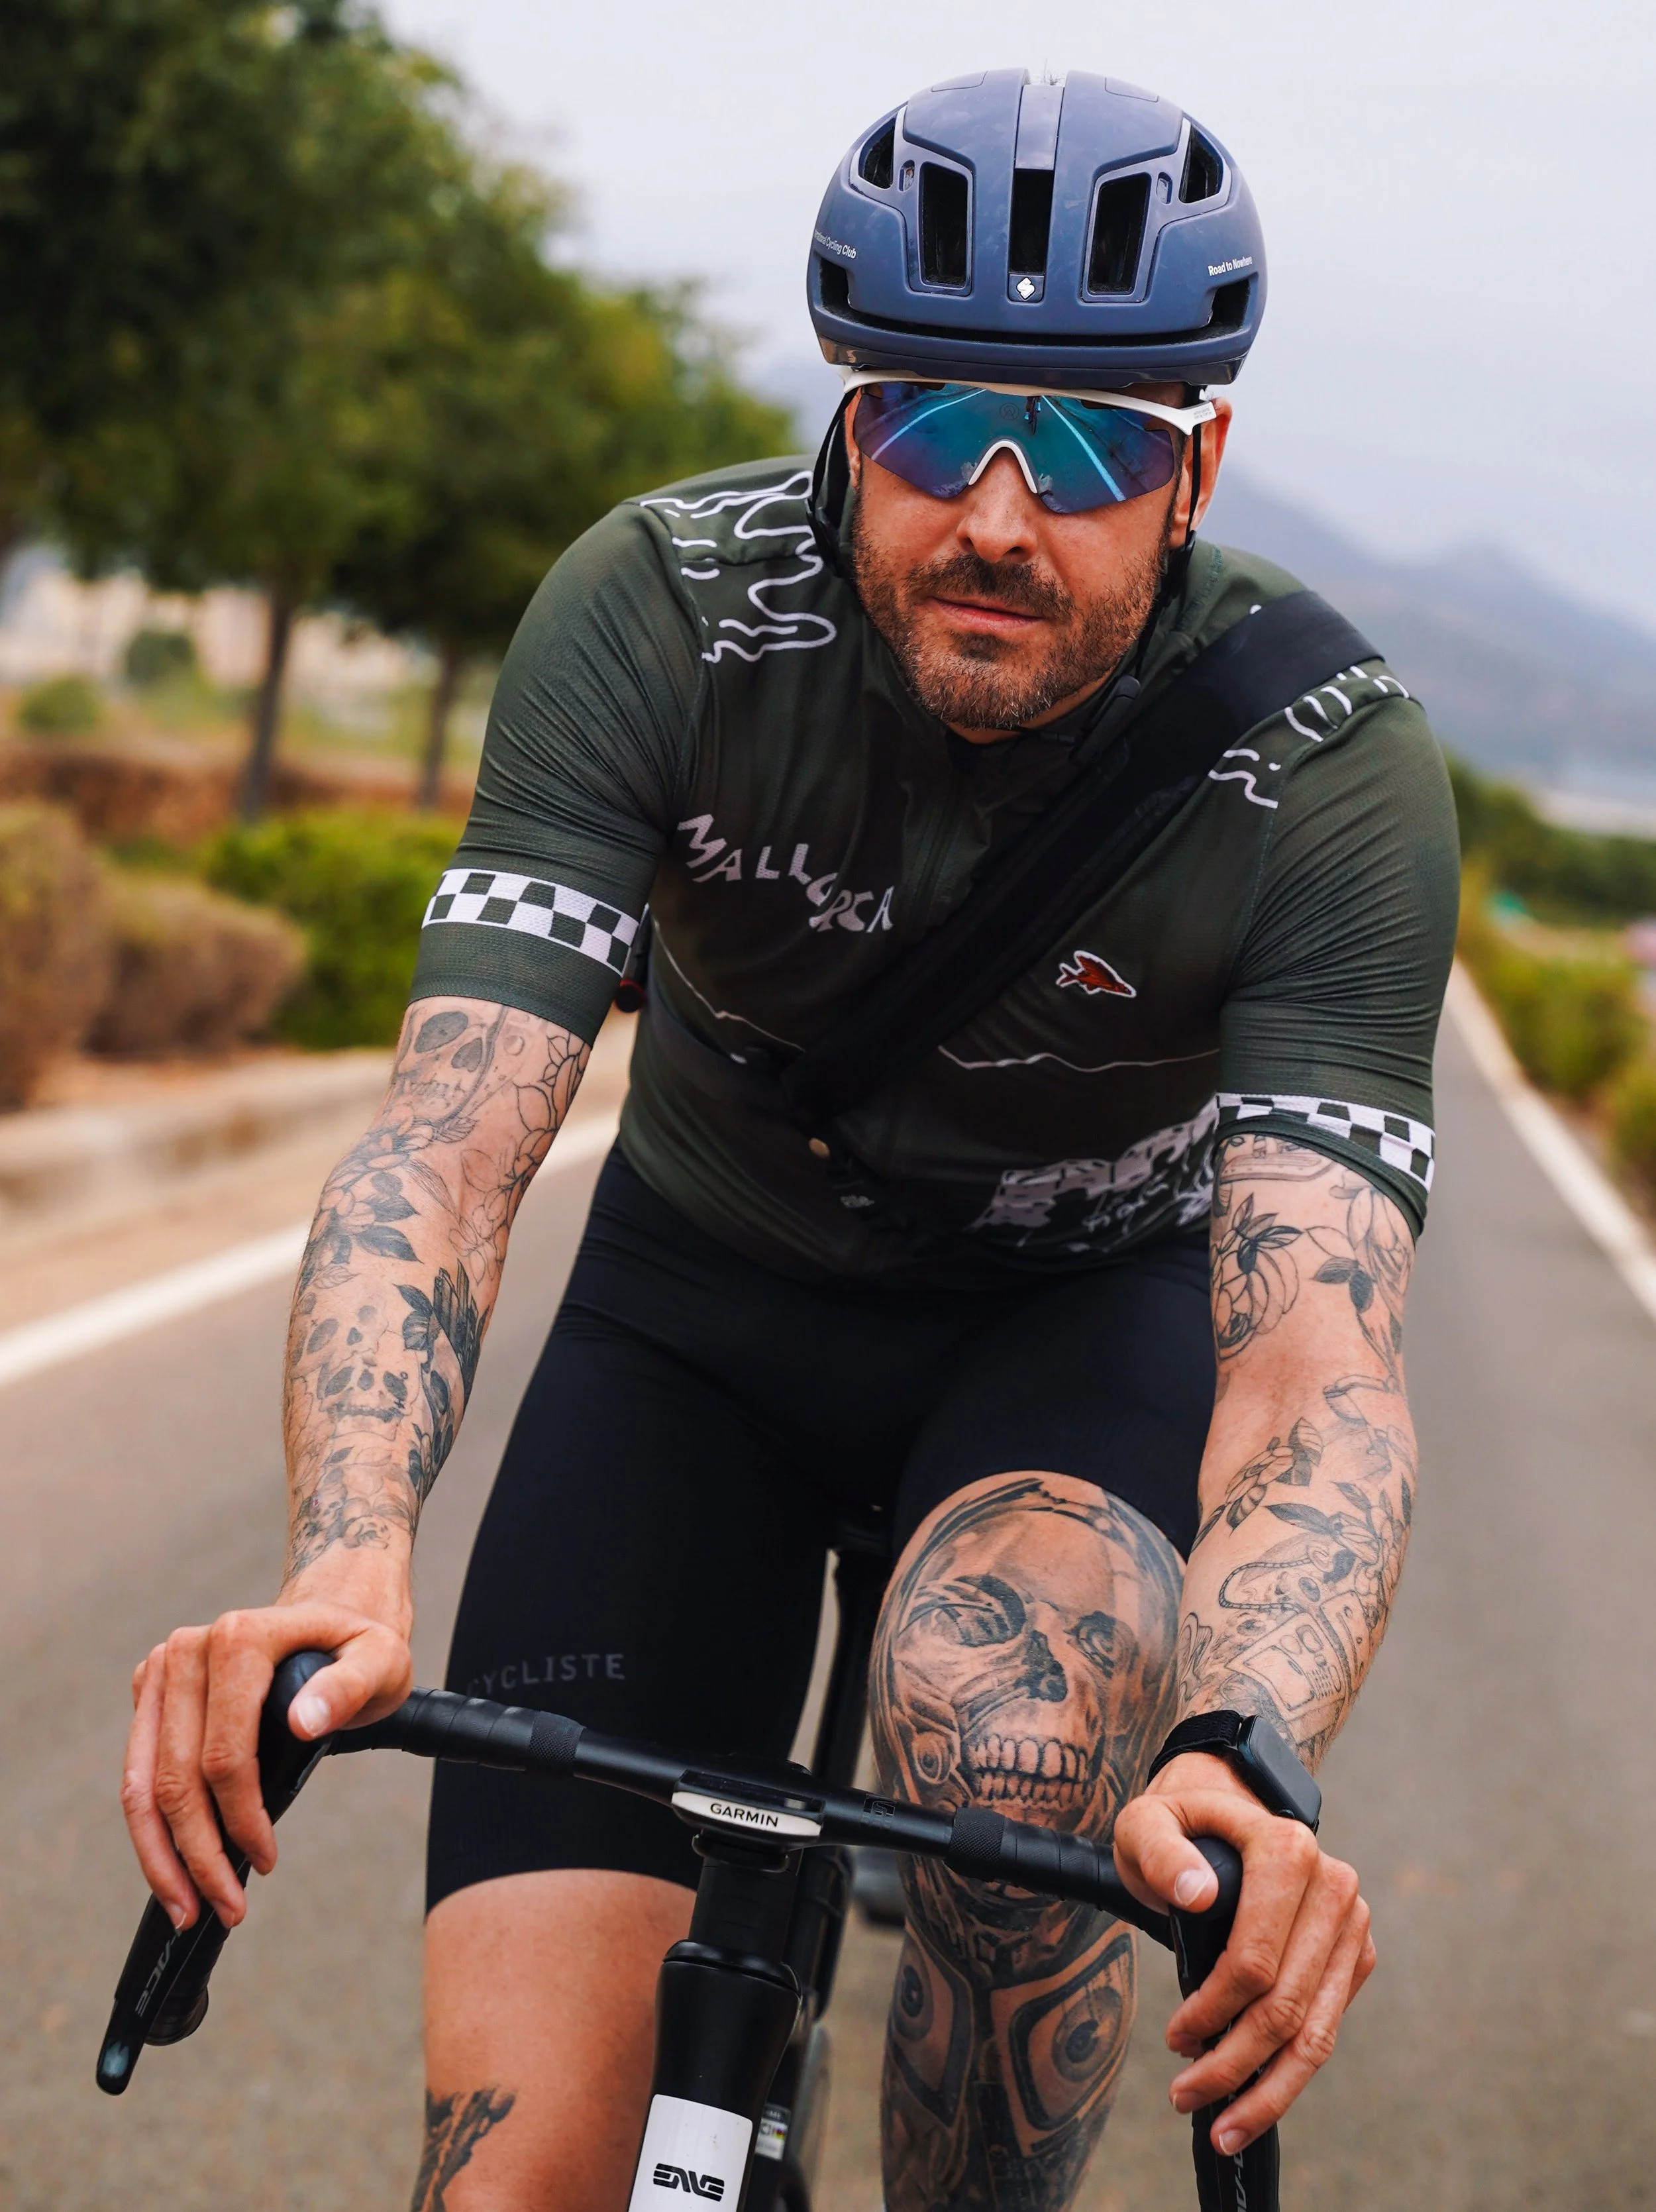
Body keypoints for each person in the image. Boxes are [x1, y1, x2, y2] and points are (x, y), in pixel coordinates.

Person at [121, 67, 1457, 2212]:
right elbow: (445, 1147)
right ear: (847, 418)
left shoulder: (1330, 769)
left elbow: (1312, 1361)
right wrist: (348, 1545)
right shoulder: (654, 603)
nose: (1002, 514)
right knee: (521, 2181)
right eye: (935, 424)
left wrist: (1240, 1738)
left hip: (1065, 1335)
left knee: (1017, 1724)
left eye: (1097, 444)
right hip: (701, 1314)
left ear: (1195, 466)